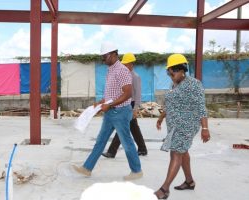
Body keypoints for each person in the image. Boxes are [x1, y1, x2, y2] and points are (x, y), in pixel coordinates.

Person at [73, 42, 143, 180]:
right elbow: (113, 92)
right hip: (111, 112)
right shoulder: (111, 70)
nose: (103, 59)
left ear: (113, 55)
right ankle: (87, 168)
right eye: (102, 57)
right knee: (100, 141)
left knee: (127, 142)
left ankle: (137, 171)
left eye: (104, 56)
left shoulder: (122, 70)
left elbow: (128, 93)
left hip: (120, 112)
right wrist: (102, 102)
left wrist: (110, 105)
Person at [154, 54, 211, 199]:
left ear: (182, 70)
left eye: (172, 73)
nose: (170, 76)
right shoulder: (174, 84)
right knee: (183, 151)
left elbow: (200, 107)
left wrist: (205, 128)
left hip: (187, 125)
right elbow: (170, 104)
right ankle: (189, 181)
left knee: (176, 153)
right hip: (174, 125)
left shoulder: (194, 84)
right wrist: (161, 118)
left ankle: (164, 189)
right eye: (169, 73)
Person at [102, 53, 147, 158]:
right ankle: (142, 149)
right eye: (124, 64)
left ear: (131, 64)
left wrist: (135, 109)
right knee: (132, 128)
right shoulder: (124, 74)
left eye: (126, 64)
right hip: (124, 103)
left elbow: (138, 94)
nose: (124, 66)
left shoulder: (135, 77)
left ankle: (112, 152)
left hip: (130, 104)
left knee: (122, 128)